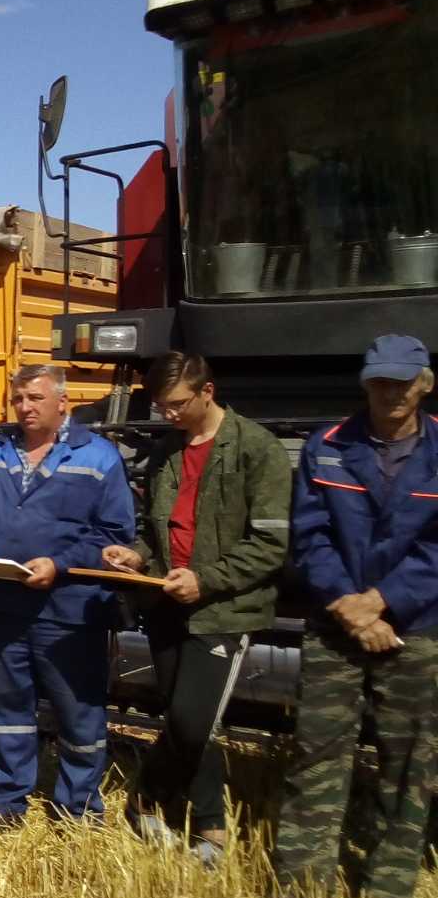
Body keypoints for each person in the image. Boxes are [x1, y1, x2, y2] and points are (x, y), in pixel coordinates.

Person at [261, 335, 438, 898]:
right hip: (338, 626)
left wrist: (383, 602)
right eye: (379, 382)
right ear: (364, 384)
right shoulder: (328, 448)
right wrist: (349, 606)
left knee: (407, 763)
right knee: (317, 755)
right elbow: (309, 537)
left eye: (403, 382)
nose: (390, 393)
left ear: (425, 384)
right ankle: (299, 891)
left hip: (416, 627)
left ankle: (388, 896)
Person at [102, 353, 291, 865]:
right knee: (190, 721)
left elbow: (270, 544)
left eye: (177, 404)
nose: (168, 415)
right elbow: (153, 529)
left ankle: (144, 802)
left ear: (208, 391)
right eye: (162, 406)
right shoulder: (167, 452)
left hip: (223, 610)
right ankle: (211, 831)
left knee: (190, 719)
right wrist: (136, 554)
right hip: (166, 603)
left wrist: (205, 579)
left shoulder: (257, 449)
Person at [0, 365, 135, 824]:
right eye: (19, 399)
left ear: (63, 402)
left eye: (35, 398)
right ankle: (6, 801)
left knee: (78, 712)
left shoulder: (99, 457)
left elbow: (114, 533)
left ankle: (77, 807)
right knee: (8, 708)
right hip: (7, 604)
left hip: (70, 610)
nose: (25, 407)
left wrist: (58, 564)